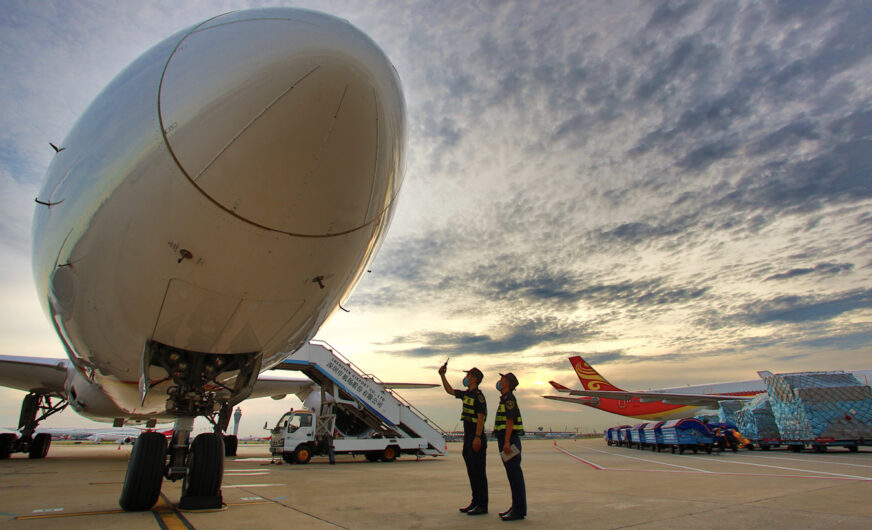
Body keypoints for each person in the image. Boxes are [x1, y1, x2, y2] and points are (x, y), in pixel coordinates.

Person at [439, 363, 488, 515]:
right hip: (468, 438)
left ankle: (482, 505)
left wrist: (478, 437)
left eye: (468, 375)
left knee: (479, 472)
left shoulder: (478, 396)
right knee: (472, 472)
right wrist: (442, 375)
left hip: (476, 437)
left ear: (474, 379)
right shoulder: (467, 394)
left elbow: (481, 417)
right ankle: (475, 502)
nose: (466, 377)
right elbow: (450, 391)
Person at [494, 372, 526, 521]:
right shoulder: (505, 398)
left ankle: (518, 510)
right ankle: (515, 507)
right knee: (512, 476)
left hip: (510, 440)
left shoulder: (509, 399)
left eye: (502, 379)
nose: (499, 381)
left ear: (507, 383)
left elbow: (510, 421)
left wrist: (506, 442)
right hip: (506, 439)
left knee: (515, 476)